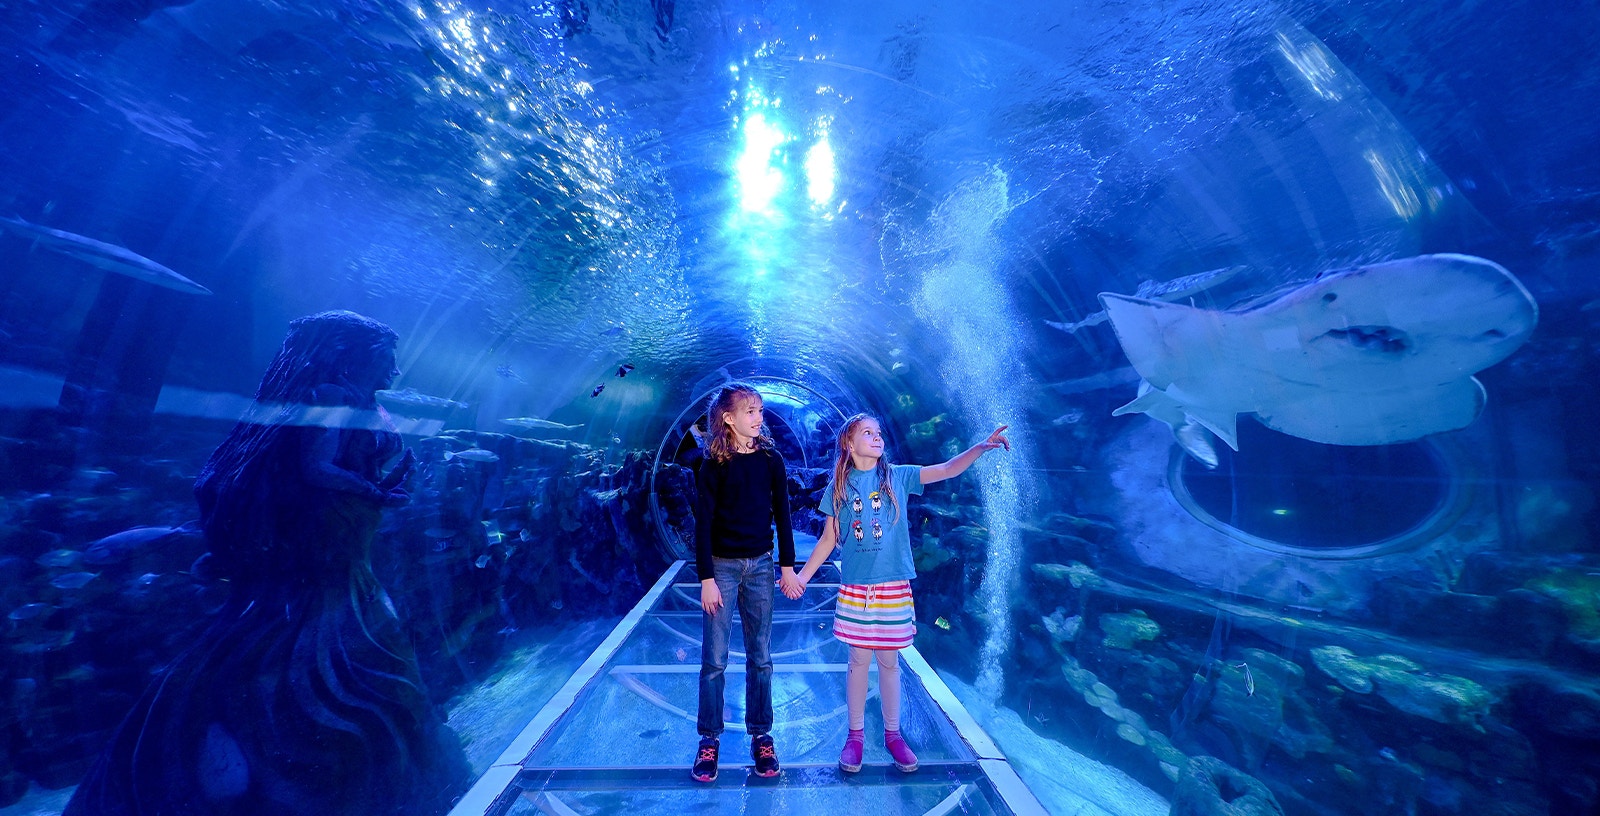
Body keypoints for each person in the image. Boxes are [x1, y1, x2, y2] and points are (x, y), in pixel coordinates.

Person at [66, 311, 468, 816]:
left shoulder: (365, 403)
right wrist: (373, 492)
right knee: (294, 652)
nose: (394, 369)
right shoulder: (329, 397)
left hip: (348, 545)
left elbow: (357, 460)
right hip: (322, 547)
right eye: (386, 357)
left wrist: (389, 484)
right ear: (350, 355)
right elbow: (314, 467)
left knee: (357, 647)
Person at [787, 413, 1009, 774]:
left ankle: (893, 734)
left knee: (889, 664)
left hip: (892, 588)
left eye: (878, 433)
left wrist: (979, 448)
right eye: (867, 433)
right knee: (858, 662)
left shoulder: (898, 476)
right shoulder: (838, 487)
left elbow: (948, 469)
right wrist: (802, 577)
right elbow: (829, 539)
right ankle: (855, 736)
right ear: (848, 443)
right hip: (857, 589)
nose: (877, 438)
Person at [691, 383, 800, 783]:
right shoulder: (712, 466)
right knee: (715, 659)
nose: (758, 417)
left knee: (761, 656)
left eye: (759, 410)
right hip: (720, 567)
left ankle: (762, 735)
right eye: (750, 411)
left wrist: (787, 566)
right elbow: (703, 525)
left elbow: (783, 515)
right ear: (728, 418)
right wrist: (706, 578)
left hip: (760, 567)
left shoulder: (771, 461)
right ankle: (709, 739)